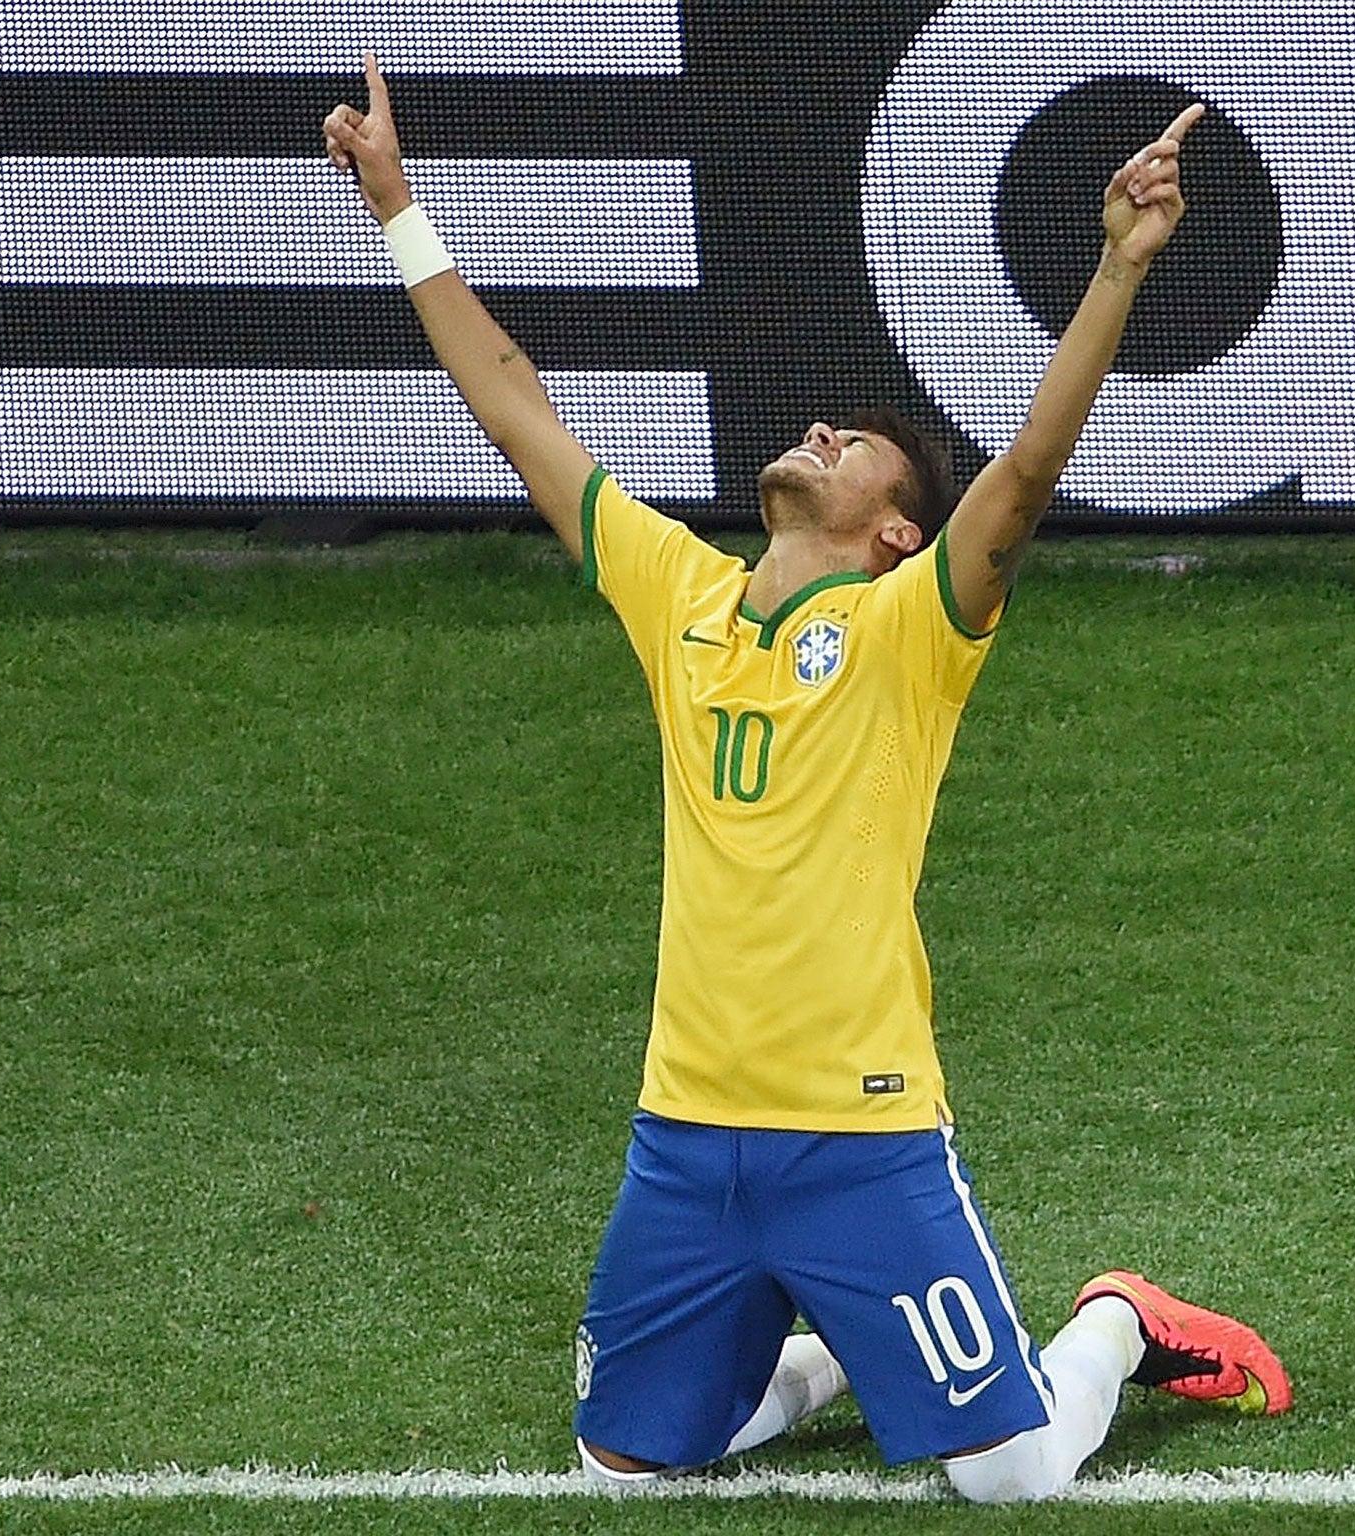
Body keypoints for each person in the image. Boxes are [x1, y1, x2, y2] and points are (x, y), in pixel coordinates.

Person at [323, 55, 1291, 1503]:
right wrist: (398, 209)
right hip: (685, 1138)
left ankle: (1113, 1321)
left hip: (861, 1136)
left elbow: (1021, 475)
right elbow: (514, 402)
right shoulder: (681, 597)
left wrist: (1119, 270)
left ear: (897, 533)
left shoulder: (911, 630)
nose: (821, 433)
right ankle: (832, 1348)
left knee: (1013, 1477)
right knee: (624, 1468)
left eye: (857, 450)